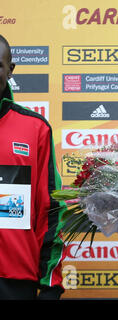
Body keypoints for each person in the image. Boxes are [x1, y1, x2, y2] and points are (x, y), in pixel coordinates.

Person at [0, 34, 66, 299]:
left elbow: (50, 208)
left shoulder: (34, 128)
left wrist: (51, 283)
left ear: (10, 69)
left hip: (15, 281)